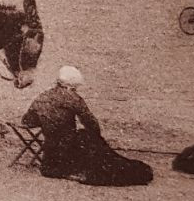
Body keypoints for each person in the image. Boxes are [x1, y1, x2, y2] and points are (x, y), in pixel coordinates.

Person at [21, 66, 153, 187]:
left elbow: (27, 122)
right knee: (88, 138)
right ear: (73, 86)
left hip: (49, 157)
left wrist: (48, 119)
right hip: (67, 148)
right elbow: (92, 124)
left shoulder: (43, 96)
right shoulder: (74, 98)